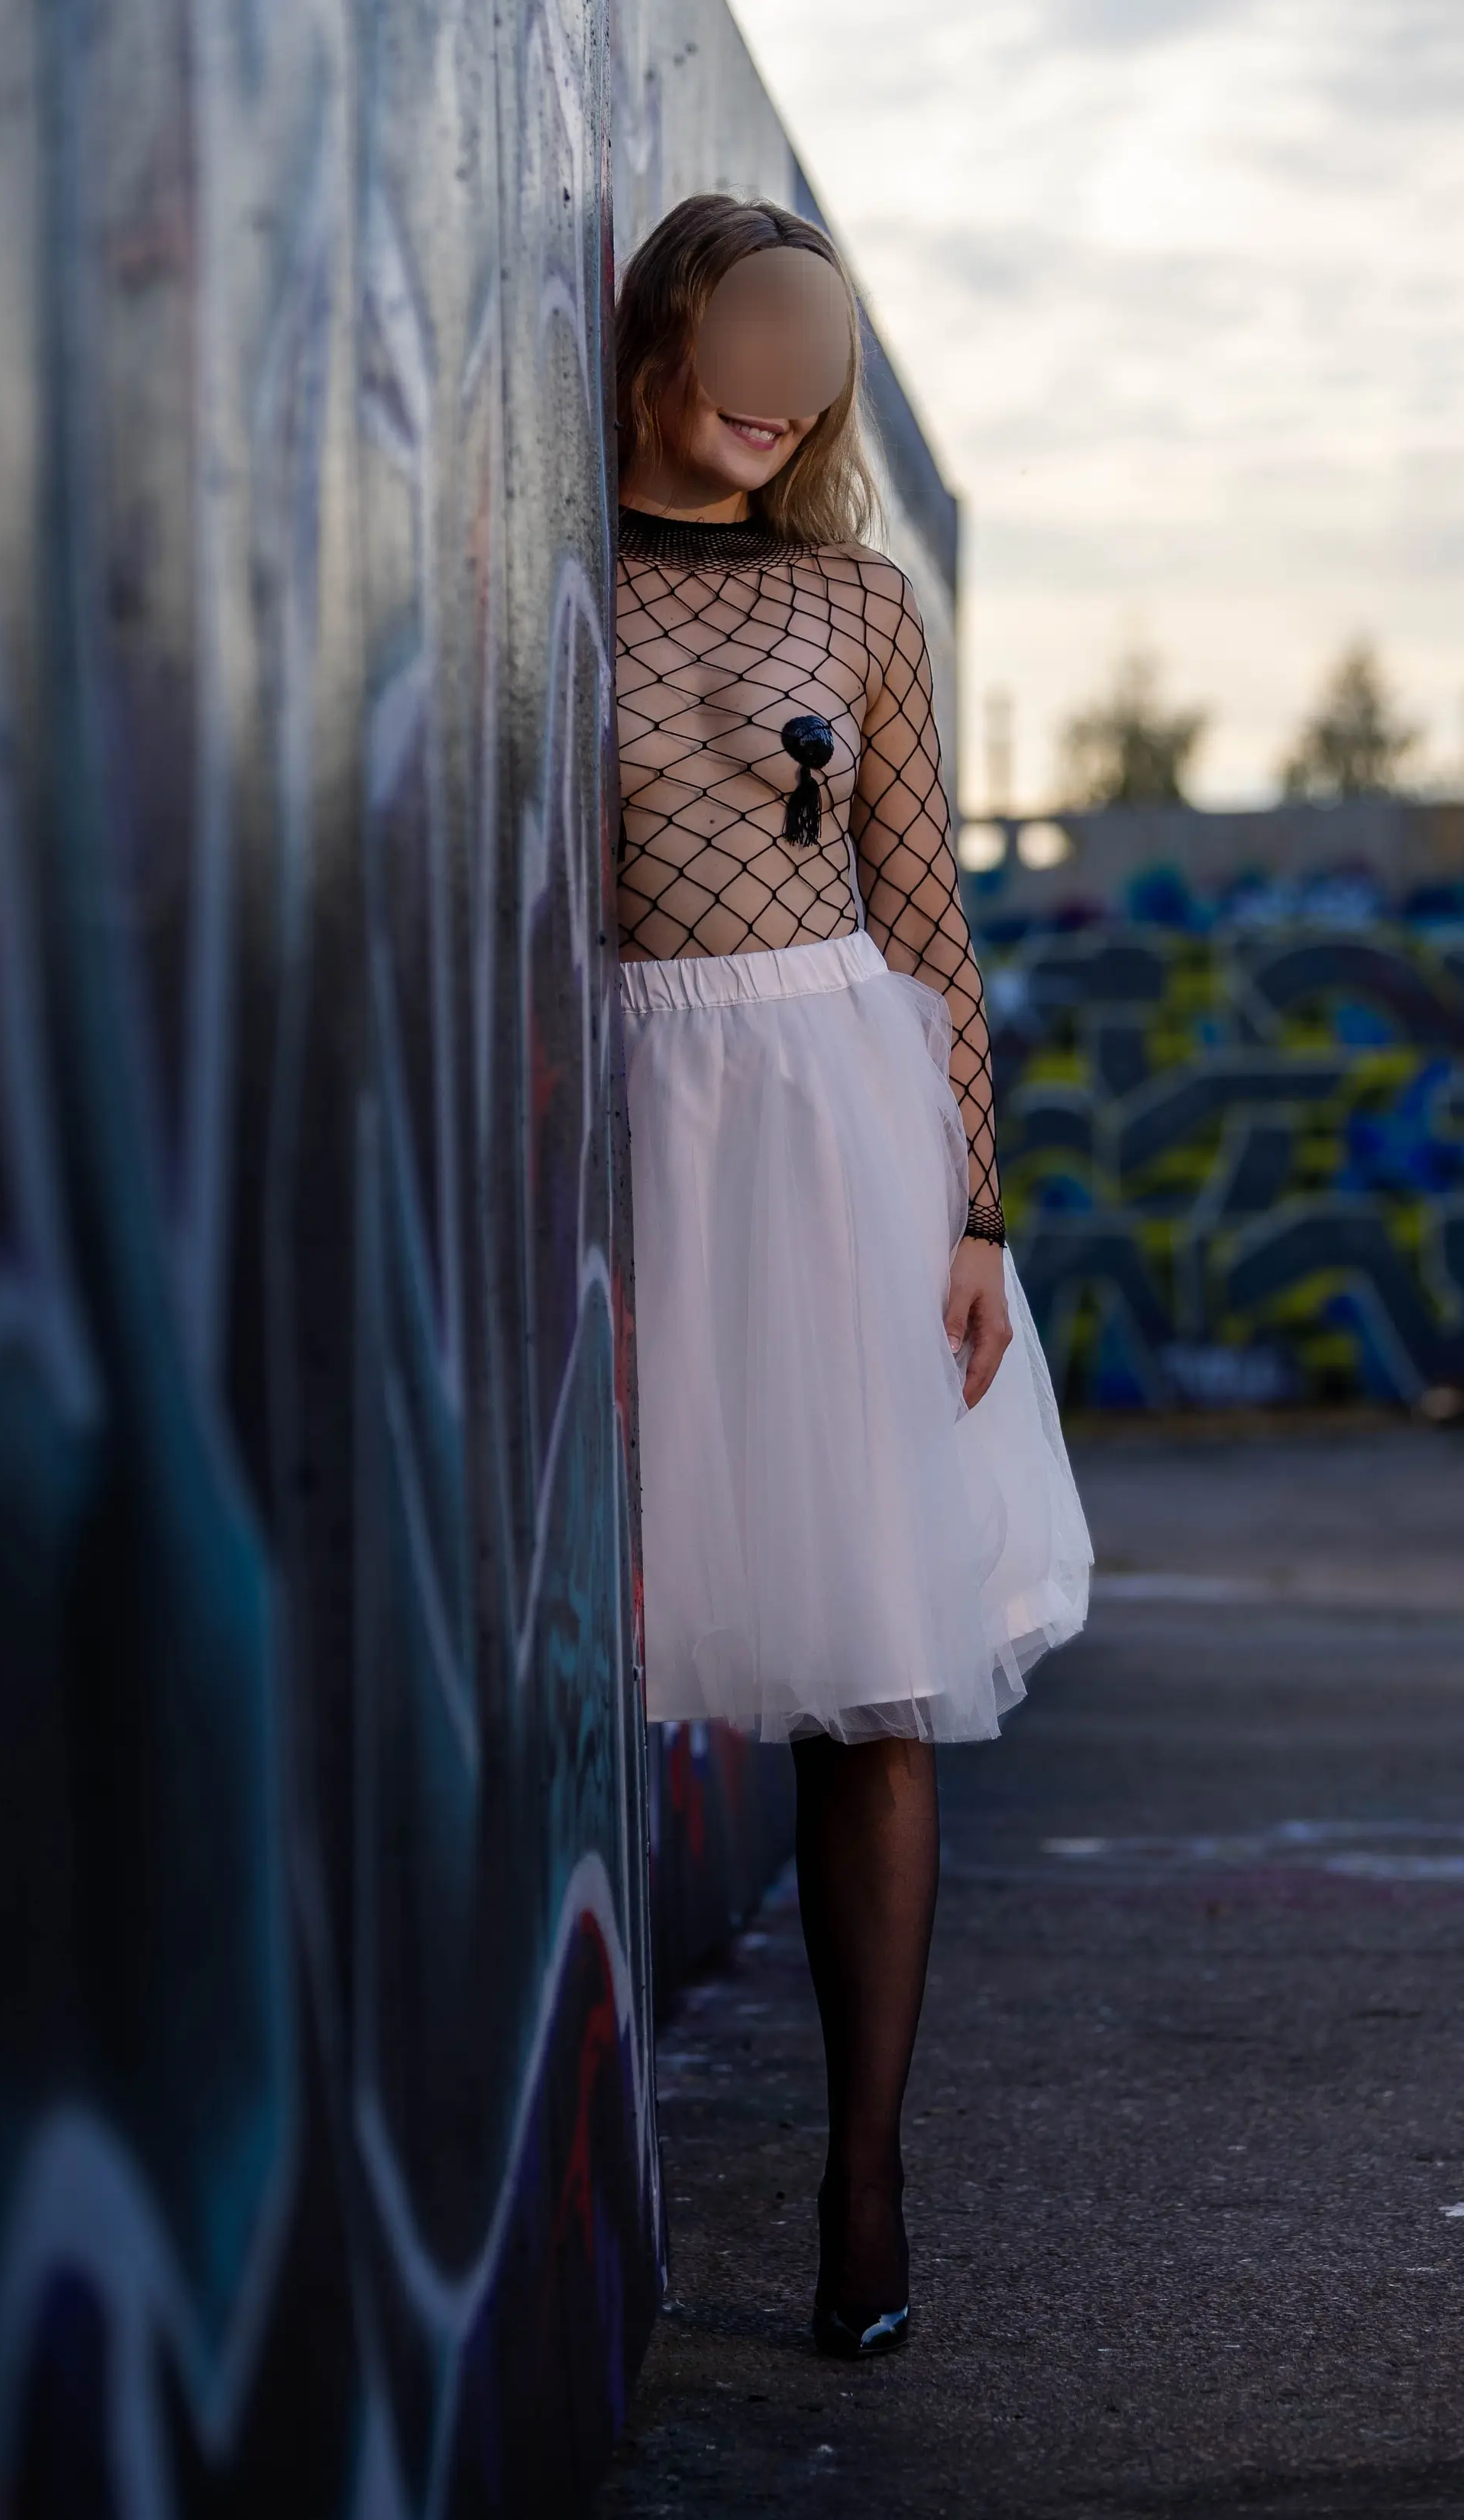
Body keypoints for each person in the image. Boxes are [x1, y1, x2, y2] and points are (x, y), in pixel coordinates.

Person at [613, 194, 1092, 2357]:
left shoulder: (861, 600)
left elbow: (929, 927)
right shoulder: (558, 579)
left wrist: (975, 1209)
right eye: (750, 330)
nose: (783, 379)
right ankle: (573, 2146)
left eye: (816, 349)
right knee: (595, 1644)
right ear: (662, 335)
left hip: (838, 1134)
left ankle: (865, 2172)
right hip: (624, 1127)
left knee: (874, 1675)